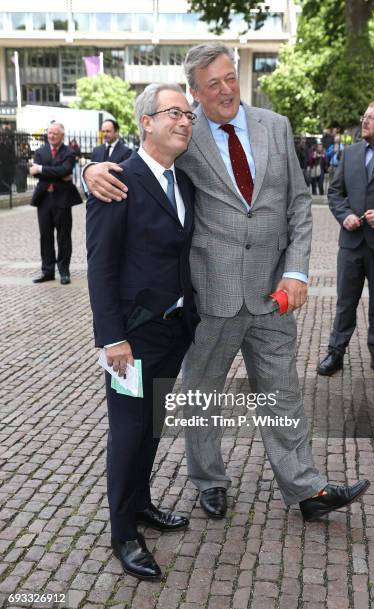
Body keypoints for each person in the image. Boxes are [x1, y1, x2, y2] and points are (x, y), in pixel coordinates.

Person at [83, 43, 369, 524]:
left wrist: (296, 270)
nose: (225, 90)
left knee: (282, 393)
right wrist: (87, 169)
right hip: (210, 294)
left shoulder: (274, 128)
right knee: (203, 397)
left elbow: (298, 205)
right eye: (211, 84)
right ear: (194, 94)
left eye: (229, 78)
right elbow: (140, 160)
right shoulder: (183, 130)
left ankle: (306, 488)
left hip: (272, 295)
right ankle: (209, 481)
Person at [86, 83, 200, 580]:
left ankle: (142, 504)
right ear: (145, 122)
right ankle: (122, 533)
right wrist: (112, 339)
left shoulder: (185, 181)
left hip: (174, 331)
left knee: (151, 426)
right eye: (173, 112)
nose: (184, 121)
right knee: (128, 433)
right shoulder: (117, 179)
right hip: (131, 337)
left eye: (189, 115)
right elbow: (100, 266)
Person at [318, 99, 374, 379]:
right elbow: (335, 193)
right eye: (364, 116)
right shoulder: (351, 153)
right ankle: (336, 352)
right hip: (351, 242)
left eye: (371, 117)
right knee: (345, 301)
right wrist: (344, 216)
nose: (364, 121)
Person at [30, 122, 82, 285]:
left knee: (63, 237)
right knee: (45, 236)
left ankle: (64, 272)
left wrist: (41, 169)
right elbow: (35, 174)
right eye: (49, 133)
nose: (51, 136)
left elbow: (65, 170)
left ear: (62, 135)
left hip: (62, 200)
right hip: (44, 199)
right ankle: (47, 271)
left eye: (55, 133)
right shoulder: (40, 152)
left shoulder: (69, 152)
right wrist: (55, 172)